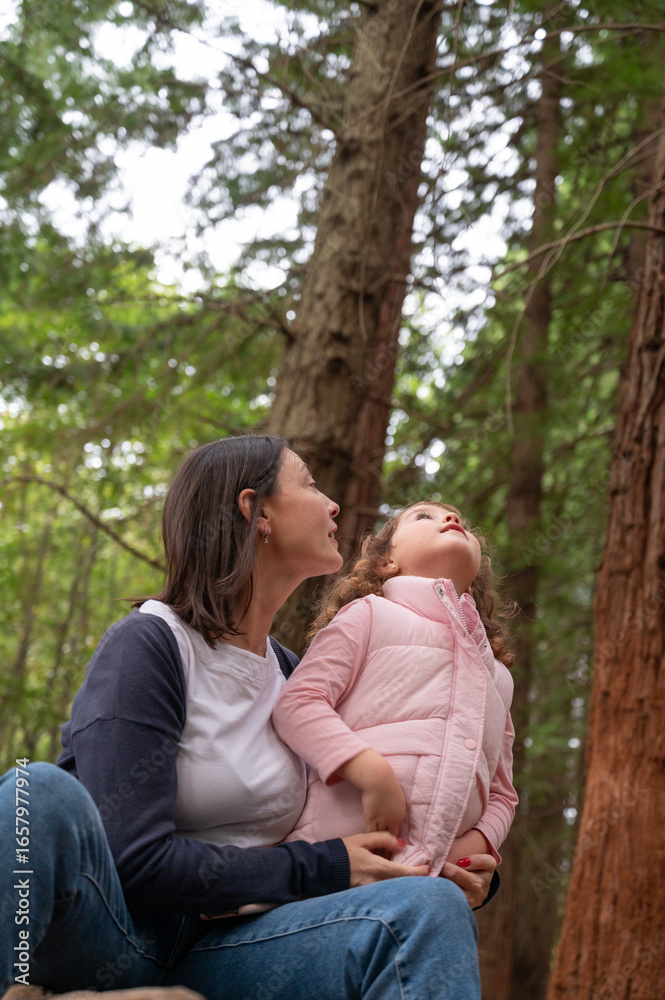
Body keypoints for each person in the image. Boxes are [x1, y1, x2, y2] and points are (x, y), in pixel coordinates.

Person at [0, 437, 490, 1000]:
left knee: (427, 910)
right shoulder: (149, 646)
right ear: (253, 509)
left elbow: (389, 778)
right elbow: (133, 859)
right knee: (32, 792)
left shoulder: (293, 676)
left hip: (235, 947)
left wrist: (469, 863)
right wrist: (320, 867)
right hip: (116, 937)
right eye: (308, 484)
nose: (333, 505)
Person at [273, 500, 518, 881]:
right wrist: (371, 772)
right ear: (388, 561)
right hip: (329, 866)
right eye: (424, 516)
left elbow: (502, 794)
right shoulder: (369, 615)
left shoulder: (498, 677)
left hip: (427, 880)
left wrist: (472, 849)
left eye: (460, 519)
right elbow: (298, 703)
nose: (451, 519)